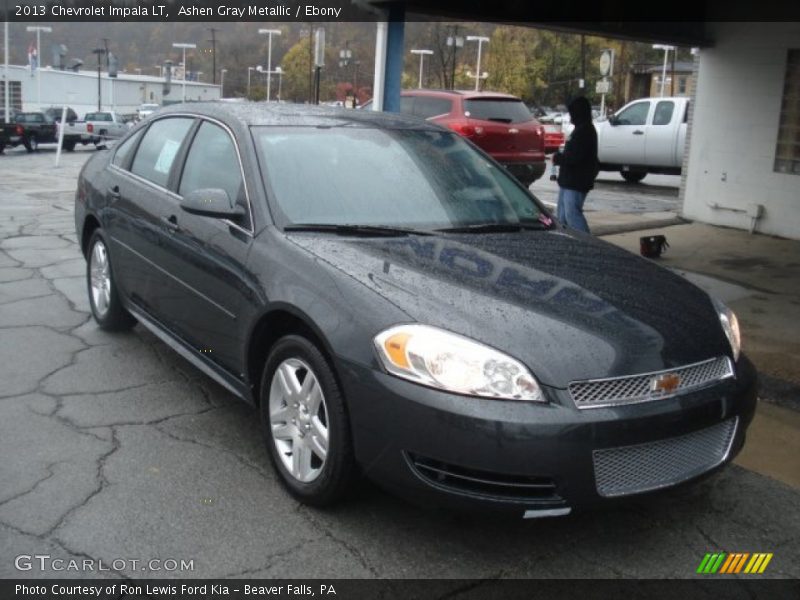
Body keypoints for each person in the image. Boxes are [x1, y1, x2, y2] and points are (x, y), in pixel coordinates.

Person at [552, 96, 599, 234]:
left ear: (578, 113)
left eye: (572, 112)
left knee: (572, 215)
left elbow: (574, 157)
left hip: (576, 181)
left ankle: (587, 243)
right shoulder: (581, 129)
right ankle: (565, 241)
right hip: (569, 180)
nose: (570, 116)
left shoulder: (585, 132)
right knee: (562, 216)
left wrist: (559, 158)